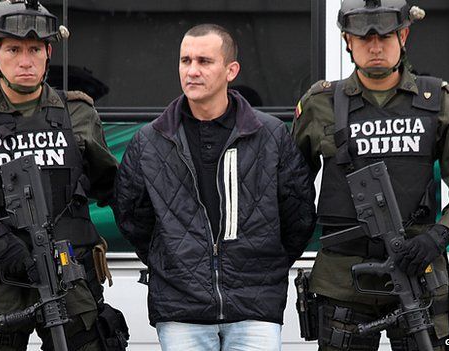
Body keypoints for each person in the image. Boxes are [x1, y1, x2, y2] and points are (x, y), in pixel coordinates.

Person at [0, 0, 126, 349]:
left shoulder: (77, 112)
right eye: (13, 49)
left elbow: (116, 188)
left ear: (48, 53)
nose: (25, 60)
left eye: (34, 49)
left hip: (69, 276)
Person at [292, 0, 449, 350]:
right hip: (343, 280)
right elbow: (288, 189)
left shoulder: (437, 101)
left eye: (385, 36)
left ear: (404, 35)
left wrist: (438, 236)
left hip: (418, 274)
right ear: (347, 41)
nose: (374, 46)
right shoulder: (319, 103)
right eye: (363, 37)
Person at [114, 23, 316, 351]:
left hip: (255, 307)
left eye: (204, 61)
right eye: (185, 61)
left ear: (230, 70)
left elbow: (299, 215)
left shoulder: (271, 135)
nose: (192, 70)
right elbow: (131, 217)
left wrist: (265, 267)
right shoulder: (149, 141)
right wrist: (172, 263)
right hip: (181, 309)